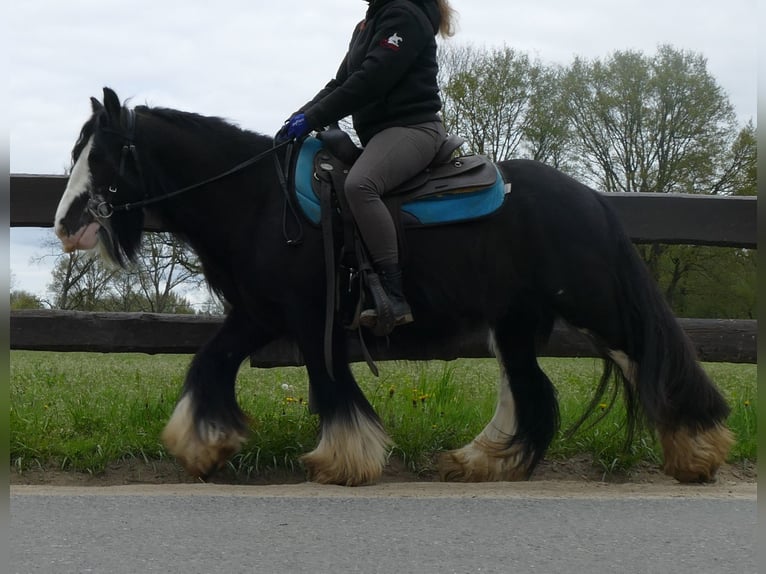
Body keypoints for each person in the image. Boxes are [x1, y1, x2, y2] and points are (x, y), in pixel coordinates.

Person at [276, 0, 457, 329]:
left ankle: (394, 294)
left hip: (413, 129)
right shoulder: (366, 26)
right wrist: (297, 118)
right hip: (379, 135)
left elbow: (373, 78)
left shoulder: (406, 15)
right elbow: (341, 83)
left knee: (361, 185)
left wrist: (315, 117)